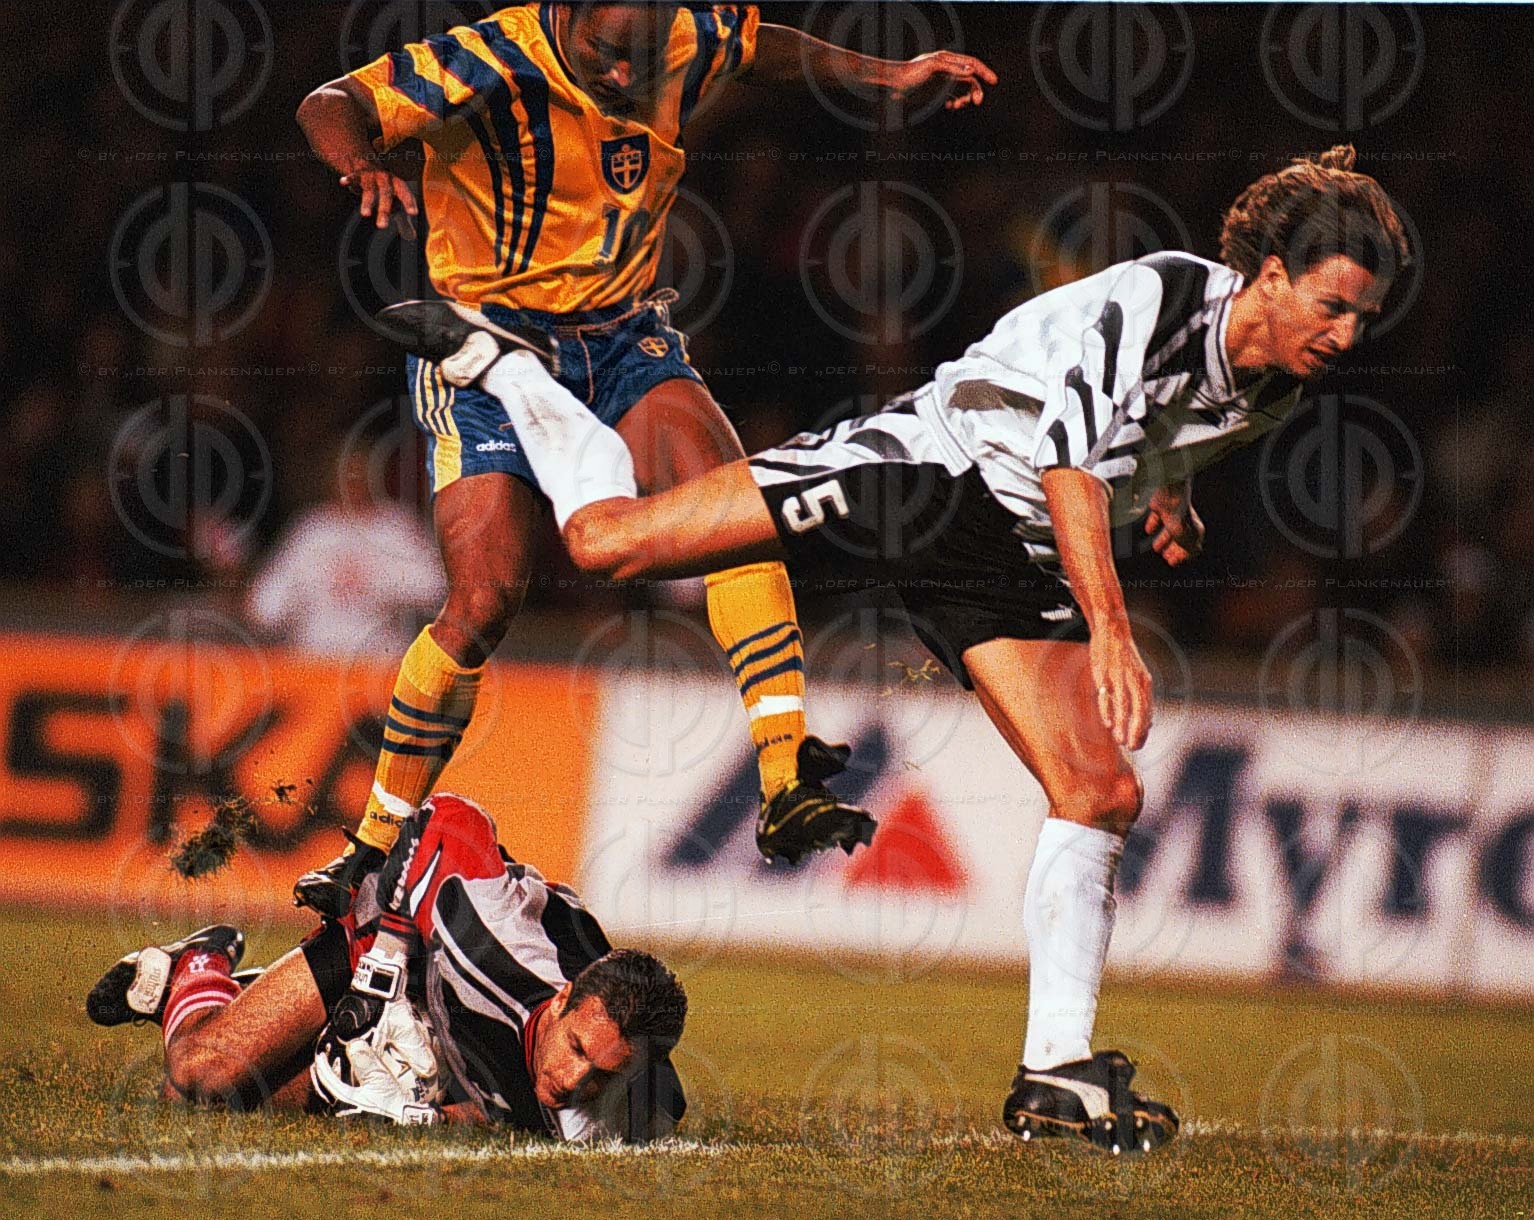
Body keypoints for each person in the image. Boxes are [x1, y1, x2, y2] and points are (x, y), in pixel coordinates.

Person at [375, 146, 1408, 1152]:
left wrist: (1167, 490)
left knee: (1100, 791)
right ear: (1270, 276)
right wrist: (1110, 626)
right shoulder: (1161, 297)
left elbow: (1155, 429)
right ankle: (512, 369)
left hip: (1002, 554)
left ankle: (1055, 1069)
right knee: (609, 544)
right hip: (922, 476)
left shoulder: (1270, 384)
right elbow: (1070, 464)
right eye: (1332, 305)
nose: (1347, 333)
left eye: (1363, 316)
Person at [293, 3, 998, 912]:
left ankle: (784, 776)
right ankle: (373, 841)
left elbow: (769, 50)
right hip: (485, 347)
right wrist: (360, 161)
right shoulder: (491, 57)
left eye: (639, 55)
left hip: (622, 338)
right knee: (483, 602)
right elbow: (329, 102)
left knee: (736, 517)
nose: (627, 75)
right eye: (606, 54)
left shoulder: (681, 34)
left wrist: (890, 73)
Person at [87, 792, 688, 1138]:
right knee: (199, 1077)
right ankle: (199, 965)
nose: (575, 1081)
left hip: (450, 1020)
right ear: (560, 1002)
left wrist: (425, 1117)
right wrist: (385, 963)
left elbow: (505, 1113)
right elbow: (450, 817)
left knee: (253, 1102)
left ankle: (244, 994)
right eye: (577, 1049)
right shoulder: (492, 946)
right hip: (394, 943)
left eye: (603, 1074)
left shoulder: (636, 1100)